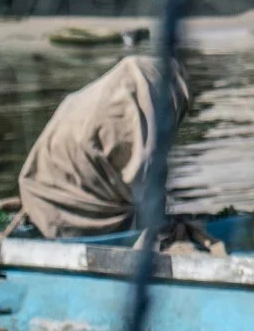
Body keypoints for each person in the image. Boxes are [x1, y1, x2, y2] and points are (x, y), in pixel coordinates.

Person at [15, 56, 192, 239]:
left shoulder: (92, 99)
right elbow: (146, 180)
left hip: (38, 201)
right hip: (81, 219)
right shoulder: (131, 115)